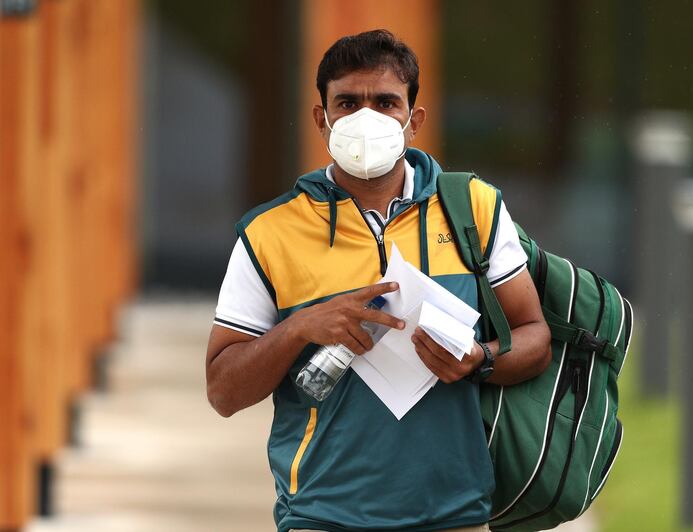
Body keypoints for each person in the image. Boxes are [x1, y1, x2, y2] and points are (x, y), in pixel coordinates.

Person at [205, 29, 551, 532]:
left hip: (454, 514)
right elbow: (223, 391)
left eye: (386, 102)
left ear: (414, 122)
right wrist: (300, 327)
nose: (366, 118)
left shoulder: (473, 208)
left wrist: (481, 360)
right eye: (347, 102)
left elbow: (534, 336)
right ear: (321, 119)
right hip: (322, 516)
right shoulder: (269, 234)